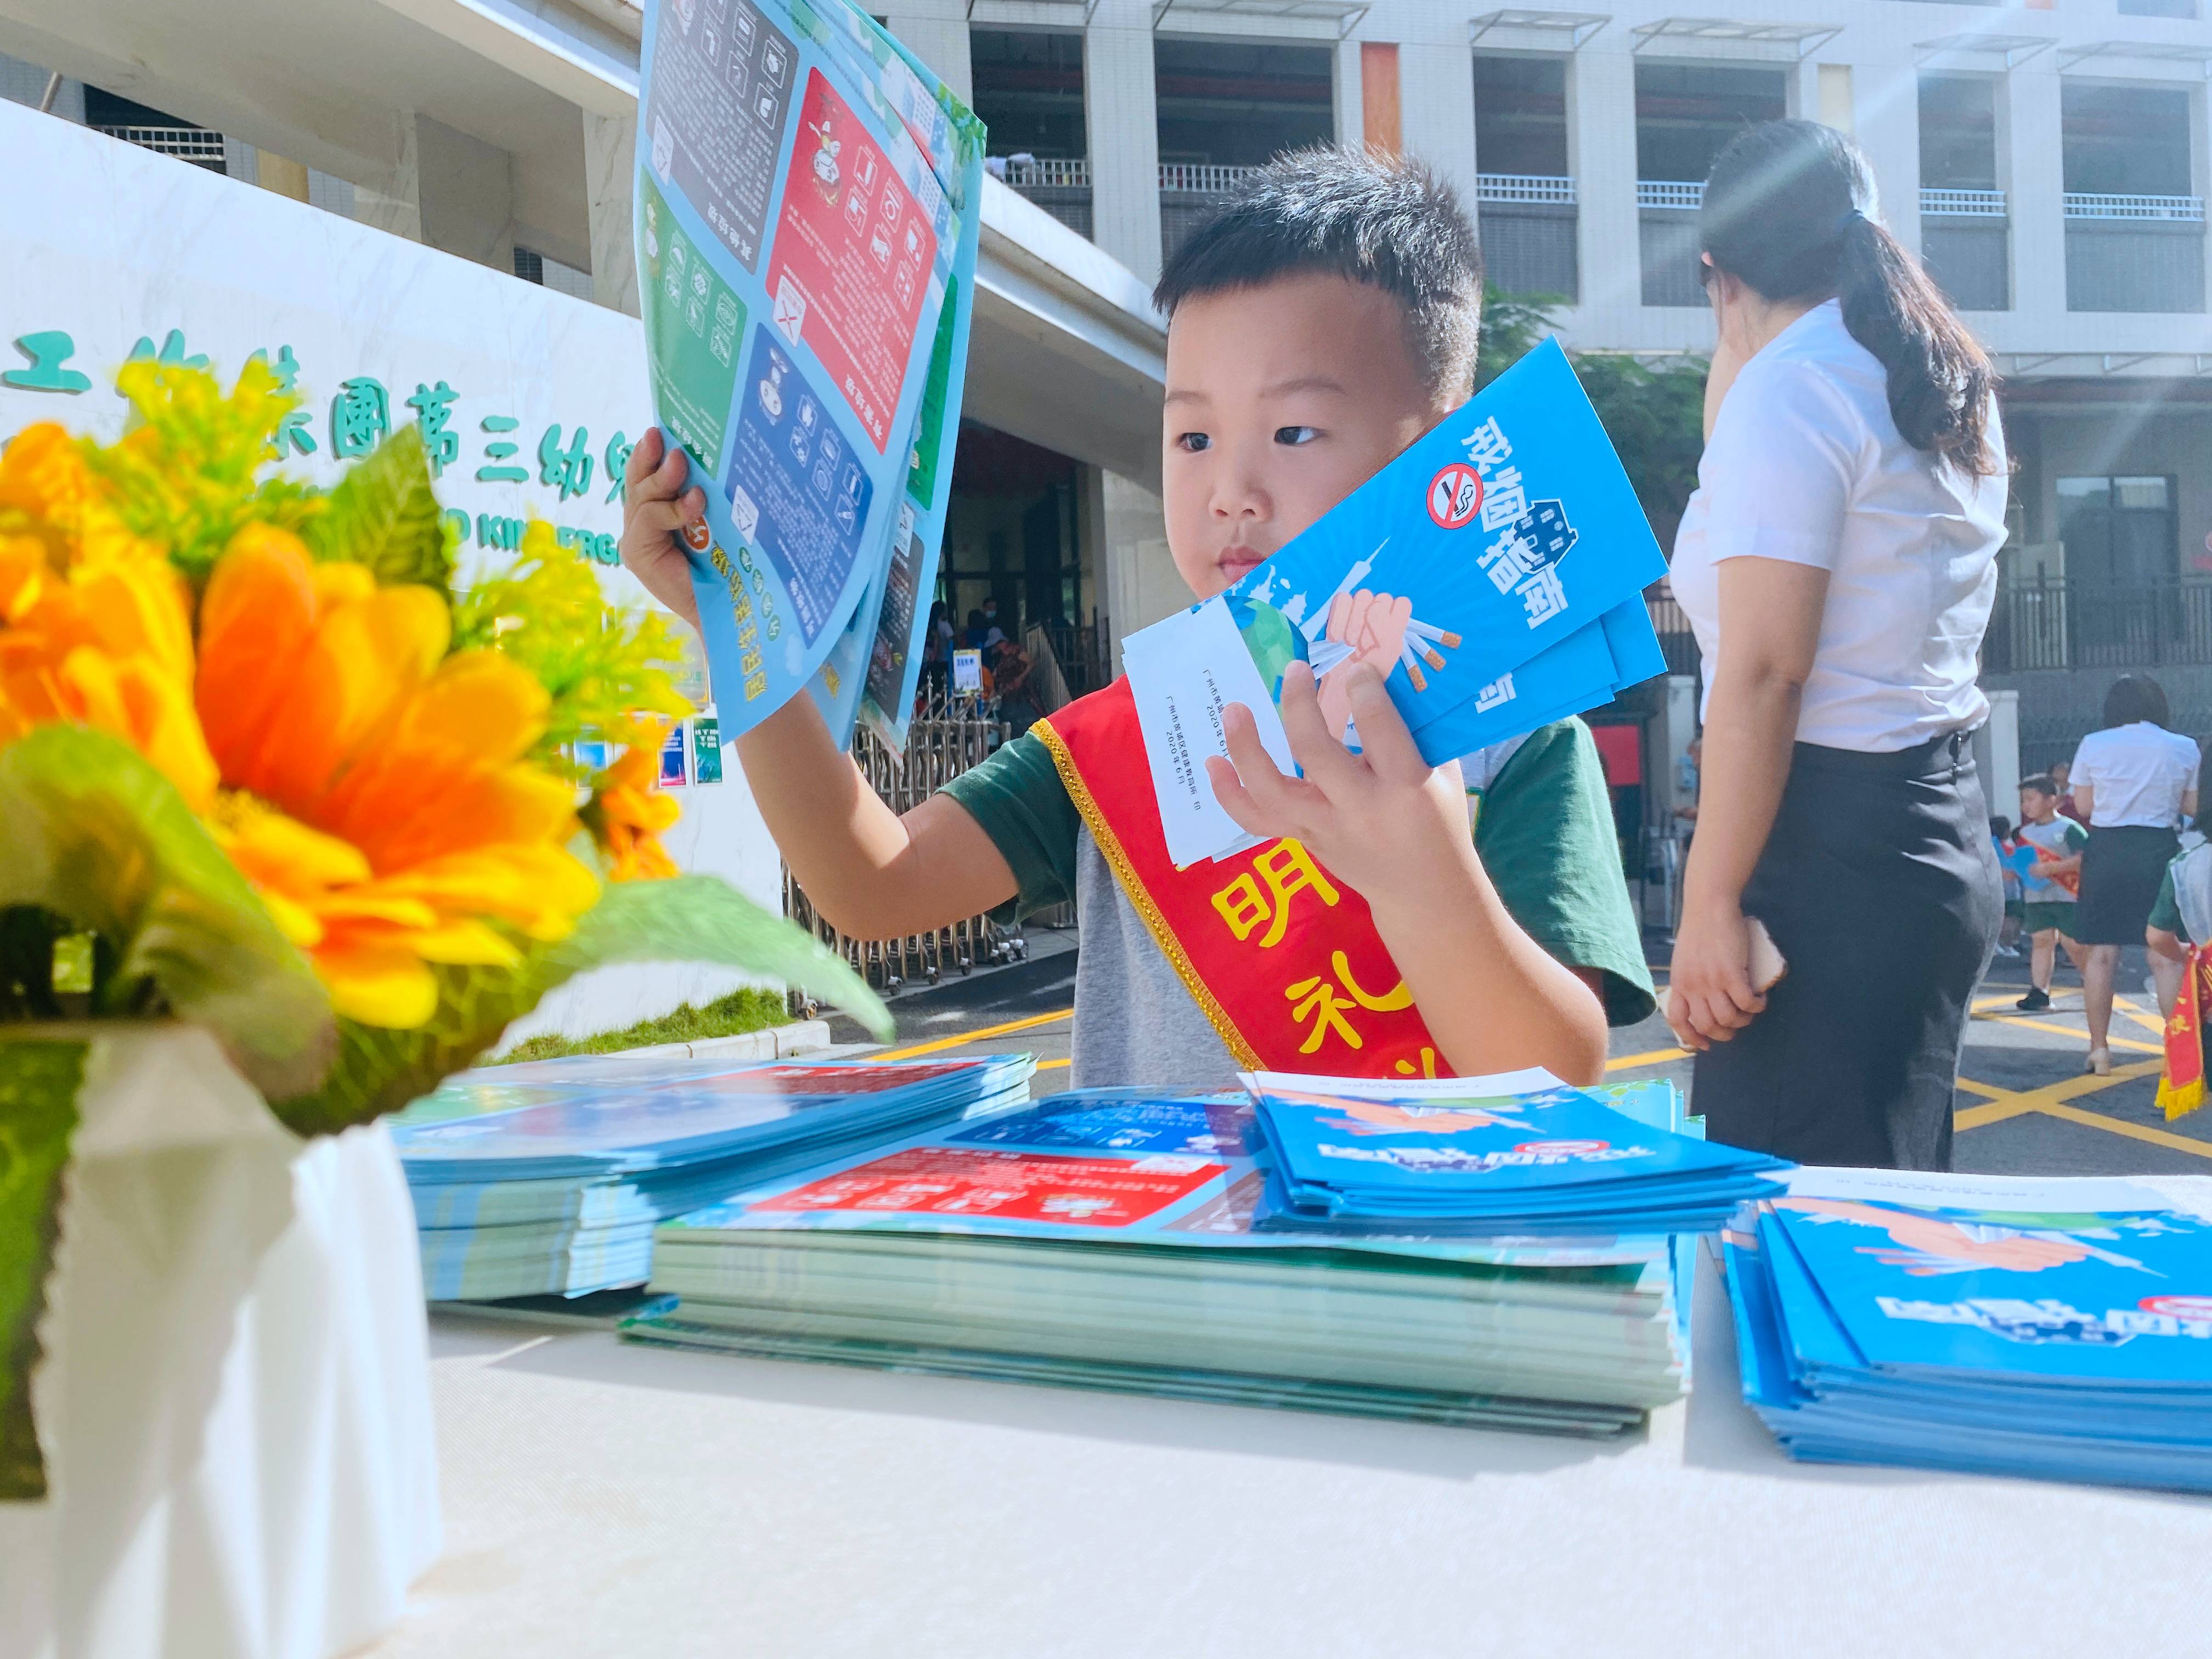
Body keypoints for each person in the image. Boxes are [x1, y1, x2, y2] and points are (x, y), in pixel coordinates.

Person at [617, 148, 1652, 1088]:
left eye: (1294, 431)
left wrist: (1427, 878)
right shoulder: (1121, 739)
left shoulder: (1513, 744)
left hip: (1406, 1243)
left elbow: (1561, 1070)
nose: (1230, 492)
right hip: (1156, 1239)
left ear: (1438, 450)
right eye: (1193, 438)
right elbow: (871, 883)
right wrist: (732, 620)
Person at [1663, 121, 2007, 1171]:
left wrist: (1706, 904)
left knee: (1787, 1215)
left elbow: (1766, 671)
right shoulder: (1933, 377)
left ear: (1718, 272)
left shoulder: (1794, 388)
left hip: (1820, 853)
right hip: (1929, 831)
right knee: (1884, 1207)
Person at [2069, 674, 2200, 1074]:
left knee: (2101, 956)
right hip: (2159, 849)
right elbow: (2192, 807)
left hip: (2107, 850)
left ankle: (2099, 1050)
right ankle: (2176, 1055)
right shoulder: (2183, 746)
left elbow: (2084, 807)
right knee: (2164, 955)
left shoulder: (2094, 743)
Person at [2013, 774, 2088, 1013]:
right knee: (2041, 941)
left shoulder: (2069, 828)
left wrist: (2052, 868)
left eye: (2031, 799)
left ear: (2052, 800)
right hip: (2037, 897)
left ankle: (2094, 981)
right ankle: (2040, 992)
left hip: (2068, 896)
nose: (2026, 805)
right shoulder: (2025, 833)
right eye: (2023, 800)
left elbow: (2085, 858)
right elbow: (2021, 862)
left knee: (2073, 943)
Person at [1989, 815, 2024, 963]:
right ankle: (2008, 945)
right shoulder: (2007, 846)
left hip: (1993, 885)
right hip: (2009, 886)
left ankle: (1996, 945)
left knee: (1997, 916)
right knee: (2011, 917)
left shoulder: (1988, 844)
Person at [2050, 758, 2086, 827]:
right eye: (2056, 769)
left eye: (2060, 769)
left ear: (2069, 773)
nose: (2056, 770)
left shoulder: (2077, 789)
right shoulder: (2053, 789)